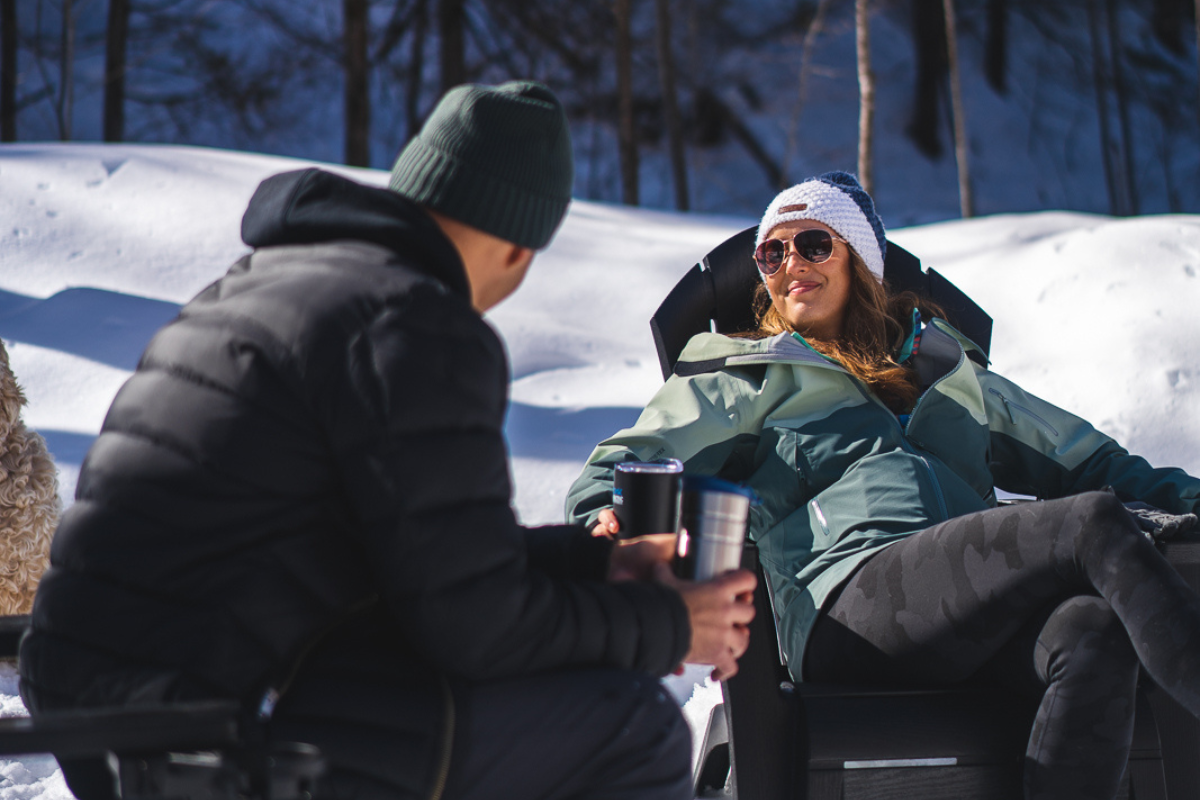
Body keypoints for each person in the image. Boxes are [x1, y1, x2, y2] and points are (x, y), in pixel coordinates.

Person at [18, 80, 757, 800]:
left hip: (97, 686)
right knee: (627, 725)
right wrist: (667, 624)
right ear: (517, 247)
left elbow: (427, 556)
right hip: (211, 720)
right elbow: (475, 626)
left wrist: (597, 567)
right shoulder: (410, 321)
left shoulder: (259, 286)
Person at [565, 170, 1200, 800]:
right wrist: (603, 518)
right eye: (771, 252)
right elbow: (621, 466)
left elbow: (1096, 464)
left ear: (861, 262)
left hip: (970, 609)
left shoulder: (952, 379)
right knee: (1090, 523)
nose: (791, 264)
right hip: (844, 603)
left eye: (814, 244)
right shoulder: (743, 379)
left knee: (1091, 631)